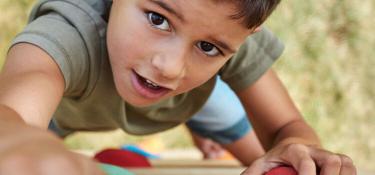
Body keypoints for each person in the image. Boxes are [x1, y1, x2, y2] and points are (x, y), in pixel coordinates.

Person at [0, 0, 356, 175]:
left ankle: (196, 122)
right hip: (65, 109)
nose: (169, 67)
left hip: (188, 101)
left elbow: (285, 129)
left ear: (248, 36)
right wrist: (21, 139)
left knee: (269, 163)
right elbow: (12, 115)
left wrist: (298, 148)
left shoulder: (224, 25)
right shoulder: (68, 32)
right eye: (158, 19)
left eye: (208, 47)